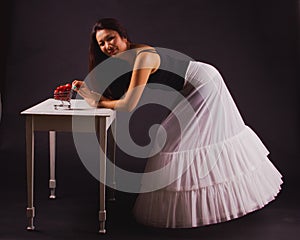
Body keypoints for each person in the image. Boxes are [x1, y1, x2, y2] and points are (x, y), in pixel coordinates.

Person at [72, 18, 283, 228]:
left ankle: (214, 202)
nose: (107, 46)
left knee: (181, 143)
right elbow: (121, 95)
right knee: (178, 141)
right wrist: (90, 92)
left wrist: (97, 101)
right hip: (193, 87)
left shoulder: (142, 57)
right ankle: (202, 202)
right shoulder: (127, 59)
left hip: (204, 83)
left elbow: (128, 104)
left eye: (111, 39)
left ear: (124, 37)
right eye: (102, 43)